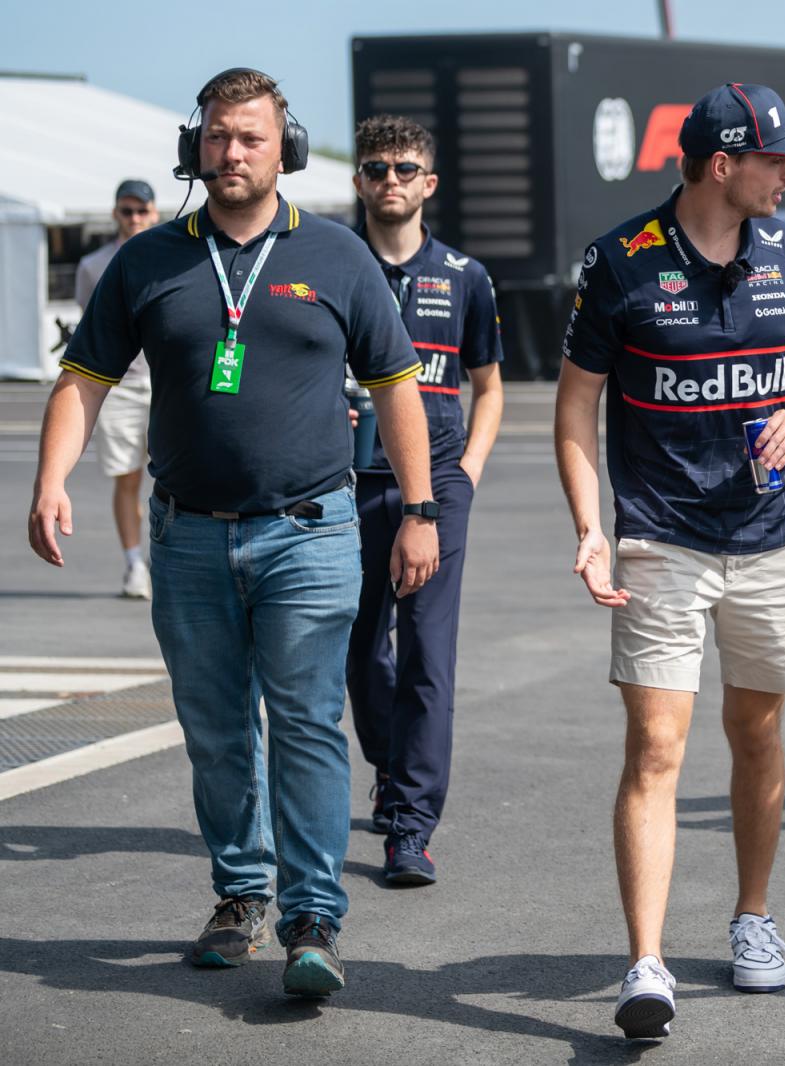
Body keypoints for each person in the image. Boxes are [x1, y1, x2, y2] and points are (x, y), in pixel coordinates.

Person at [27, 67, 438, 998]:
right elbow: (84, 379)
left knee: (305, 724)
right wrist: (51, 479)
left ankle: (313, 917)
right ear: (194, 146)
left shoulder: (337, 255)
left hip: (309, 532)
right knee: (215, 732)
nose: (232, 152)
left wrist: (418, 511)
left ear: (284, 149)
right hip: (188, 537)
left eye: (251, 137)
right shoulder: (148, 261)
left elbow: (396, 388)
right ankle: (241, 895)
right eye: (217, 136)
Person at [554, 82, 785, 1039]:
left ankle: (752, 917)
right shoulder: (620, 261)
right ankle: (646, 964)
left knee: (756, 734)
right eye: (778, 158)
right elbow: (575, 404)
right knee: (656, 747)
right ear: (723, 165)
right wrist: (590, 526)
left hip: (773, 539)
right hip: (660, 539)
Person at [346, 114, 504, 886]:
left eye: (405, 168)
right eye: (377, 168)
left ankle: (411, 827)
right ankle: (390, 765)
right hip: (346, 483)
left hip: (438, 487)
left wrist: (465, 473)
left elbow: (490, 387)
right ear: (358, 181)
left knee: (427, 656)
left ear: (428, 182)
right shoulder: (332, 265)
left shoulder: (466, 276)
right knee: (357, 648)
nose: (391, 180)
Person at [74, 179, 159, 599]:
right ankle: (134, 563)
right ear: (115, 214)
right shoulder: (93, 265)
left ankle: (167, 561)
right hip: (120, 386)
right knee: (127, 479)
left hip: (166, 382)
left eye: (142, 210)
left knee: (177, 479)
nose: (135, 218)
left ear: (155, 213)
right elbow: (91, 331)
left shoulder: (172, 254)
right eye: (127, 211)